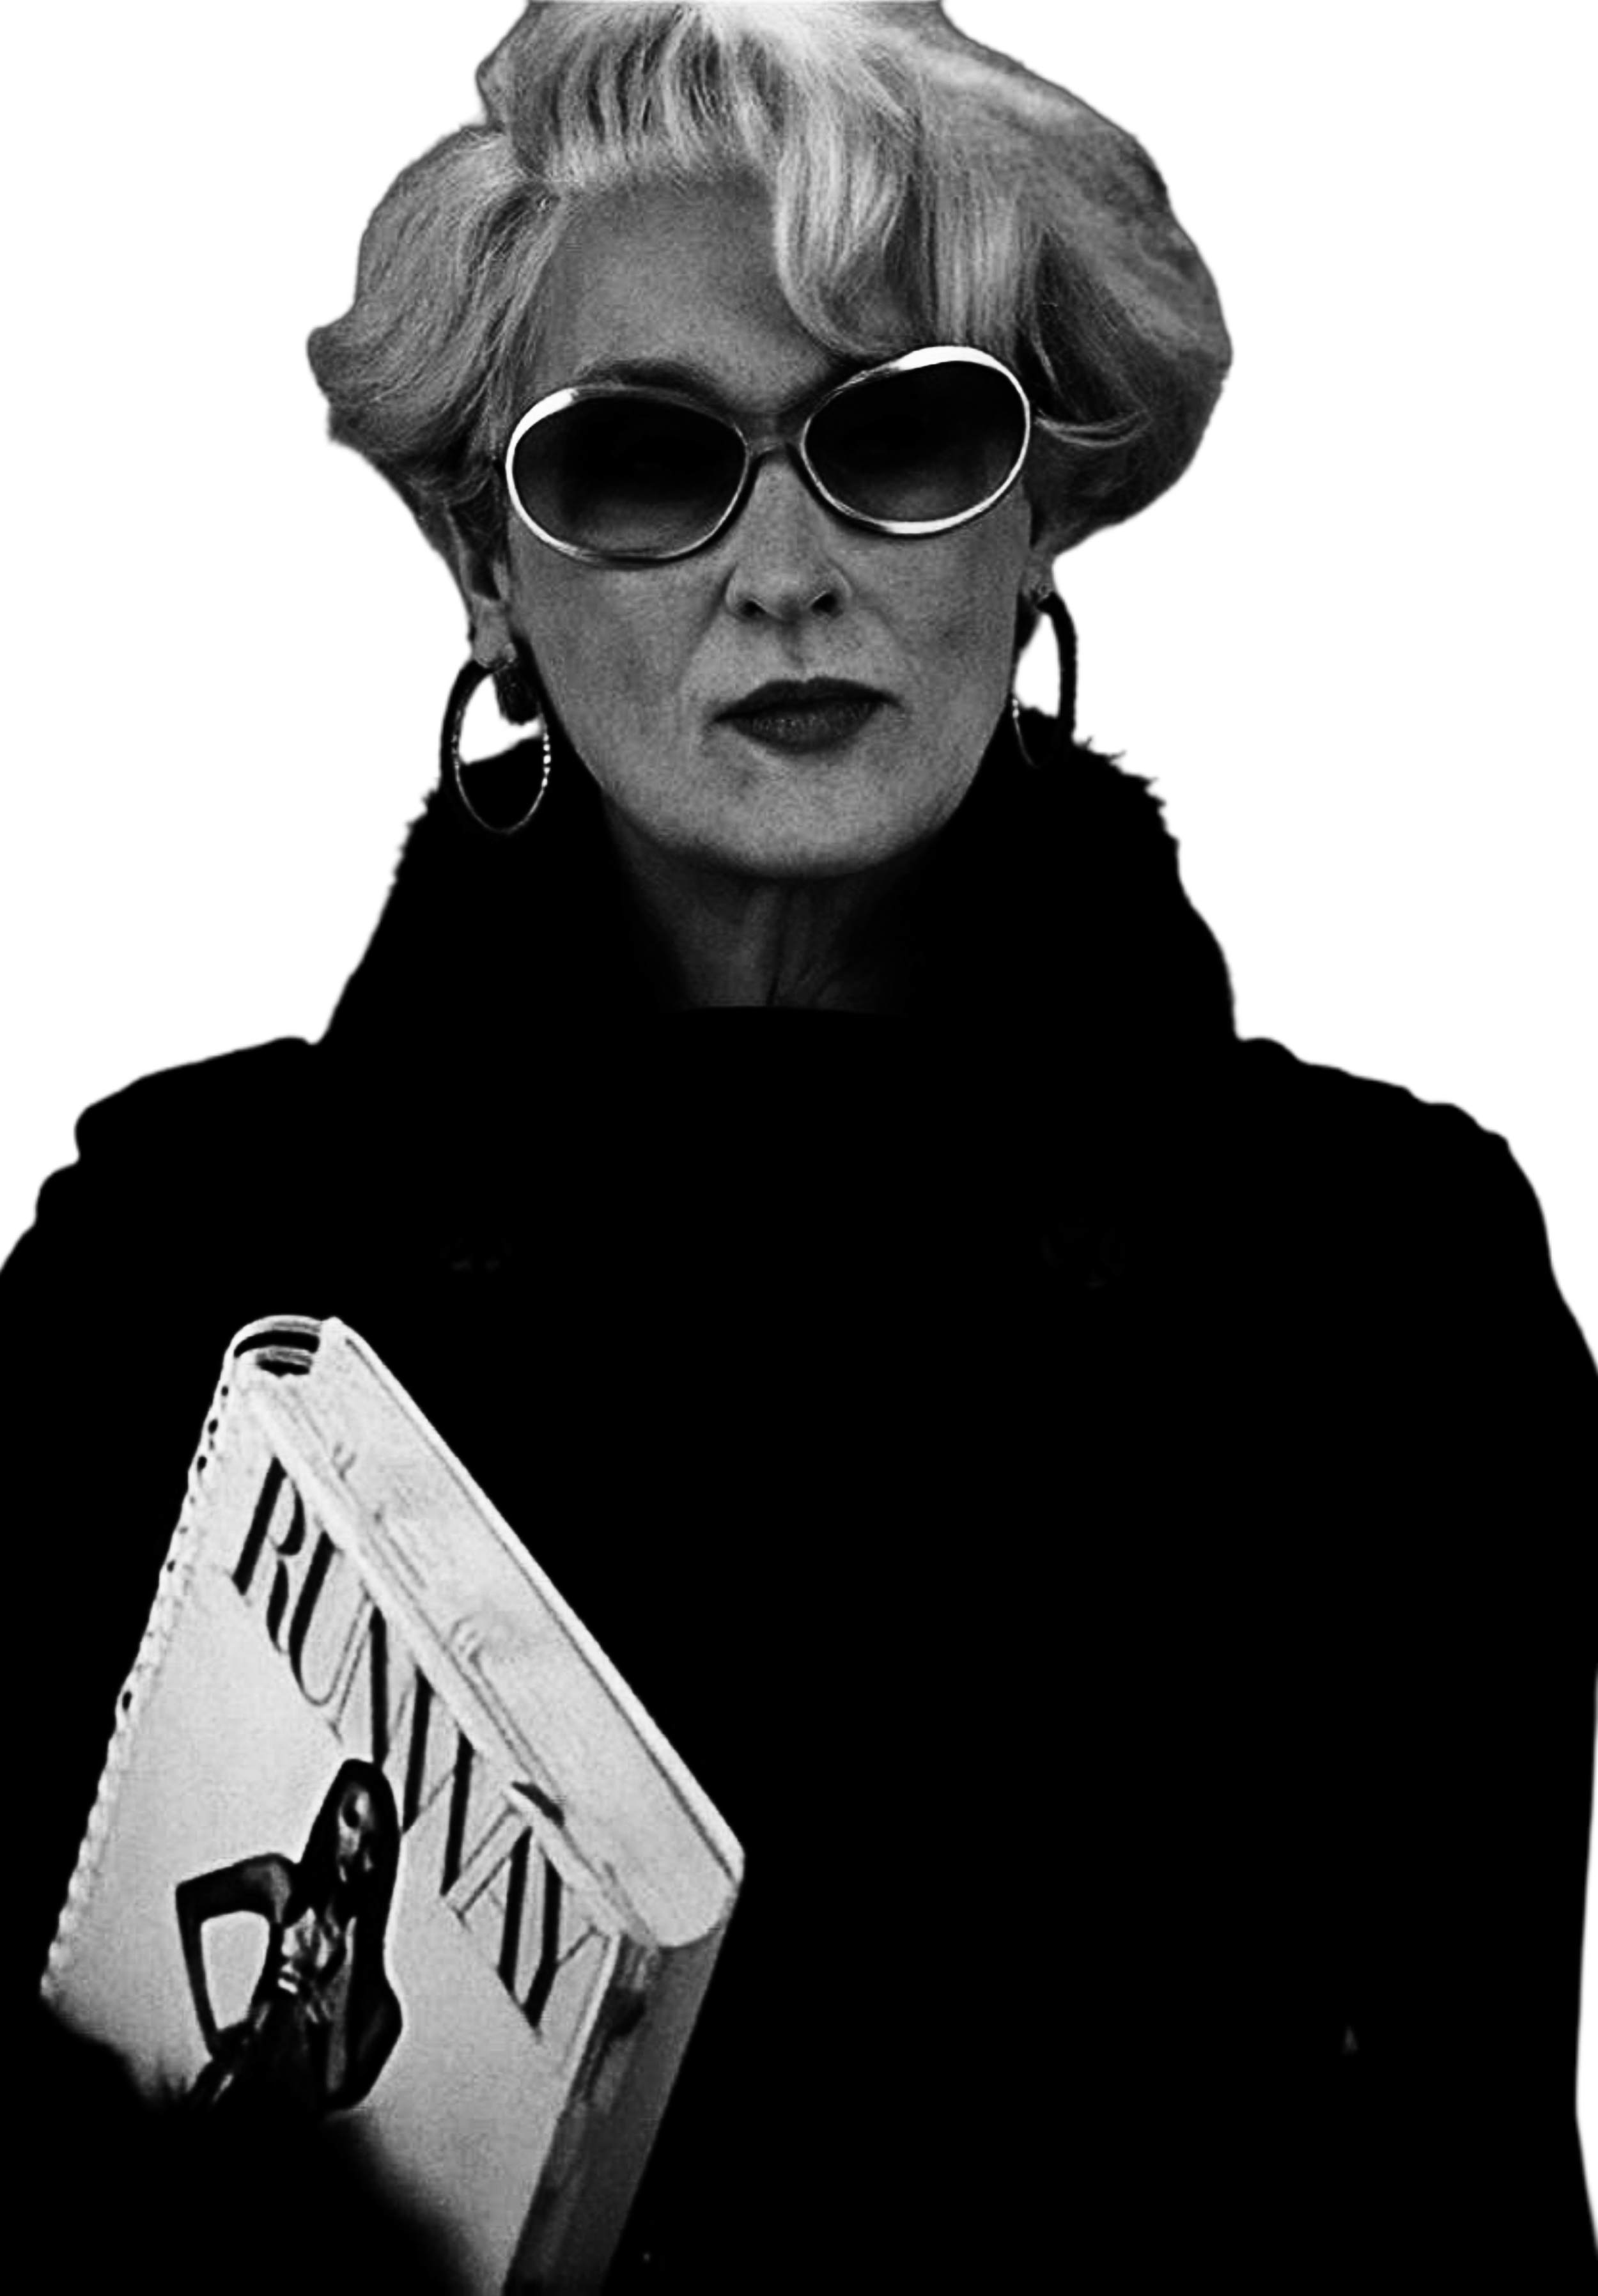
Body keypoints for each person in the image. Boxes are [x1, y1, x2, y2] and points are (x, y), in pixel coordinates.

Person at [10, 4, 1592, 2280]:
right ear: (482, 564)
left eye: (902, 436)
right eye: (638, 463)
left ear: (1035, 524)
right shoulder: (182, 1257)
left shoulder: (1377, 1275)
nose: (783, 570)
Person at [175, 1760, 403, 2120]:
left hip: (288, 2131)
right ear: (331, 1815)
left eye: (372, 1843)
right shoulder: (282, 1886)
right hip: (233, 2099)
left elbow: (333, 2089)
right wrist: (210, 2032)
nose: (356, 1848)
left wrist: (344, 1977)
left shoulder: (380, 2006)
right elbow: (191, 1901)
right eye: (350, 1821)